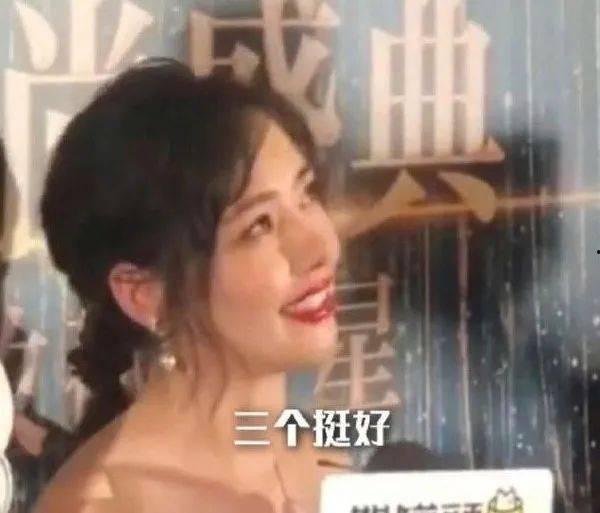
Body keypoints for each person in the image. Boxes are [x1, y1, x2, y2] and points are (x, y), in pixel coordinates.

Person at [33, 58, 348, 513]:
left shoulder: (321, 457)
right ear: (146, 295)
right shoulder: (103, 504)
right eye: (259, 225)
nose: (320, 247)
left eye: (307, 195)